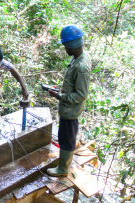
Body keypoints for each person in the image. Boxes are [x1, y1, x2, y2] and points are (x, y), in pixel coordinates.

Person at [47, 25, 91, 176]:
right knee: (66, 136)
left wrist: (59, 96)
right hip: (68, 108)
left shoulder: (81, 66)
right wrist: (60, 90)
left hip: (70, 111)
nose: (65, 49)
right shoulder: (78, 58)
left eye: (66, 46)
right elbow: (74, 86)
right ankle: (63, 166)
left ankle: (62, 169)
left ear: (71, 45)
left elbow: (81, 94)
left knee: (67, 139)